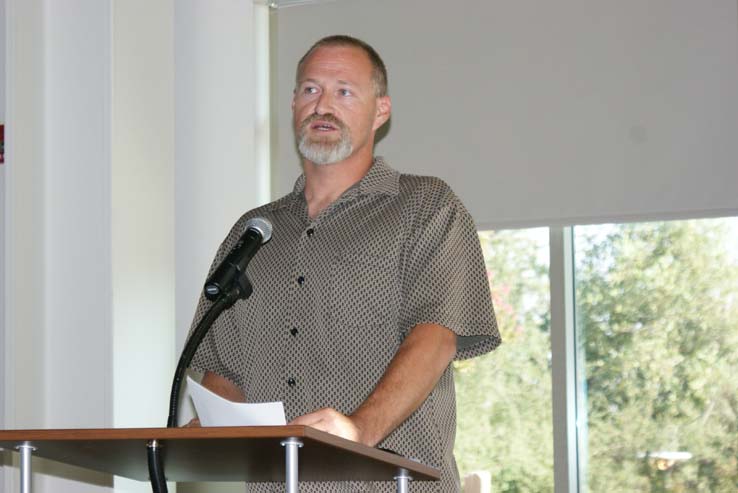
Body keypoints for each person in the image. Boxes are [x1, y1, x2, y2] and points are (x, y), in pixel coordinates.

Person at [188, 35, 500, 492]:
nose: (323, 106)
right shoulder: (252, 233)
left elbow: (435, 337)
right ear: (294, 105)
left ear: (381, 111)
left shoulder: (427, 207)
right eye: (310, 90)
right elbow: (224, 370)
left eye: (344, 91)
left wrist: (359, 430)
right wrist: (215, 436)